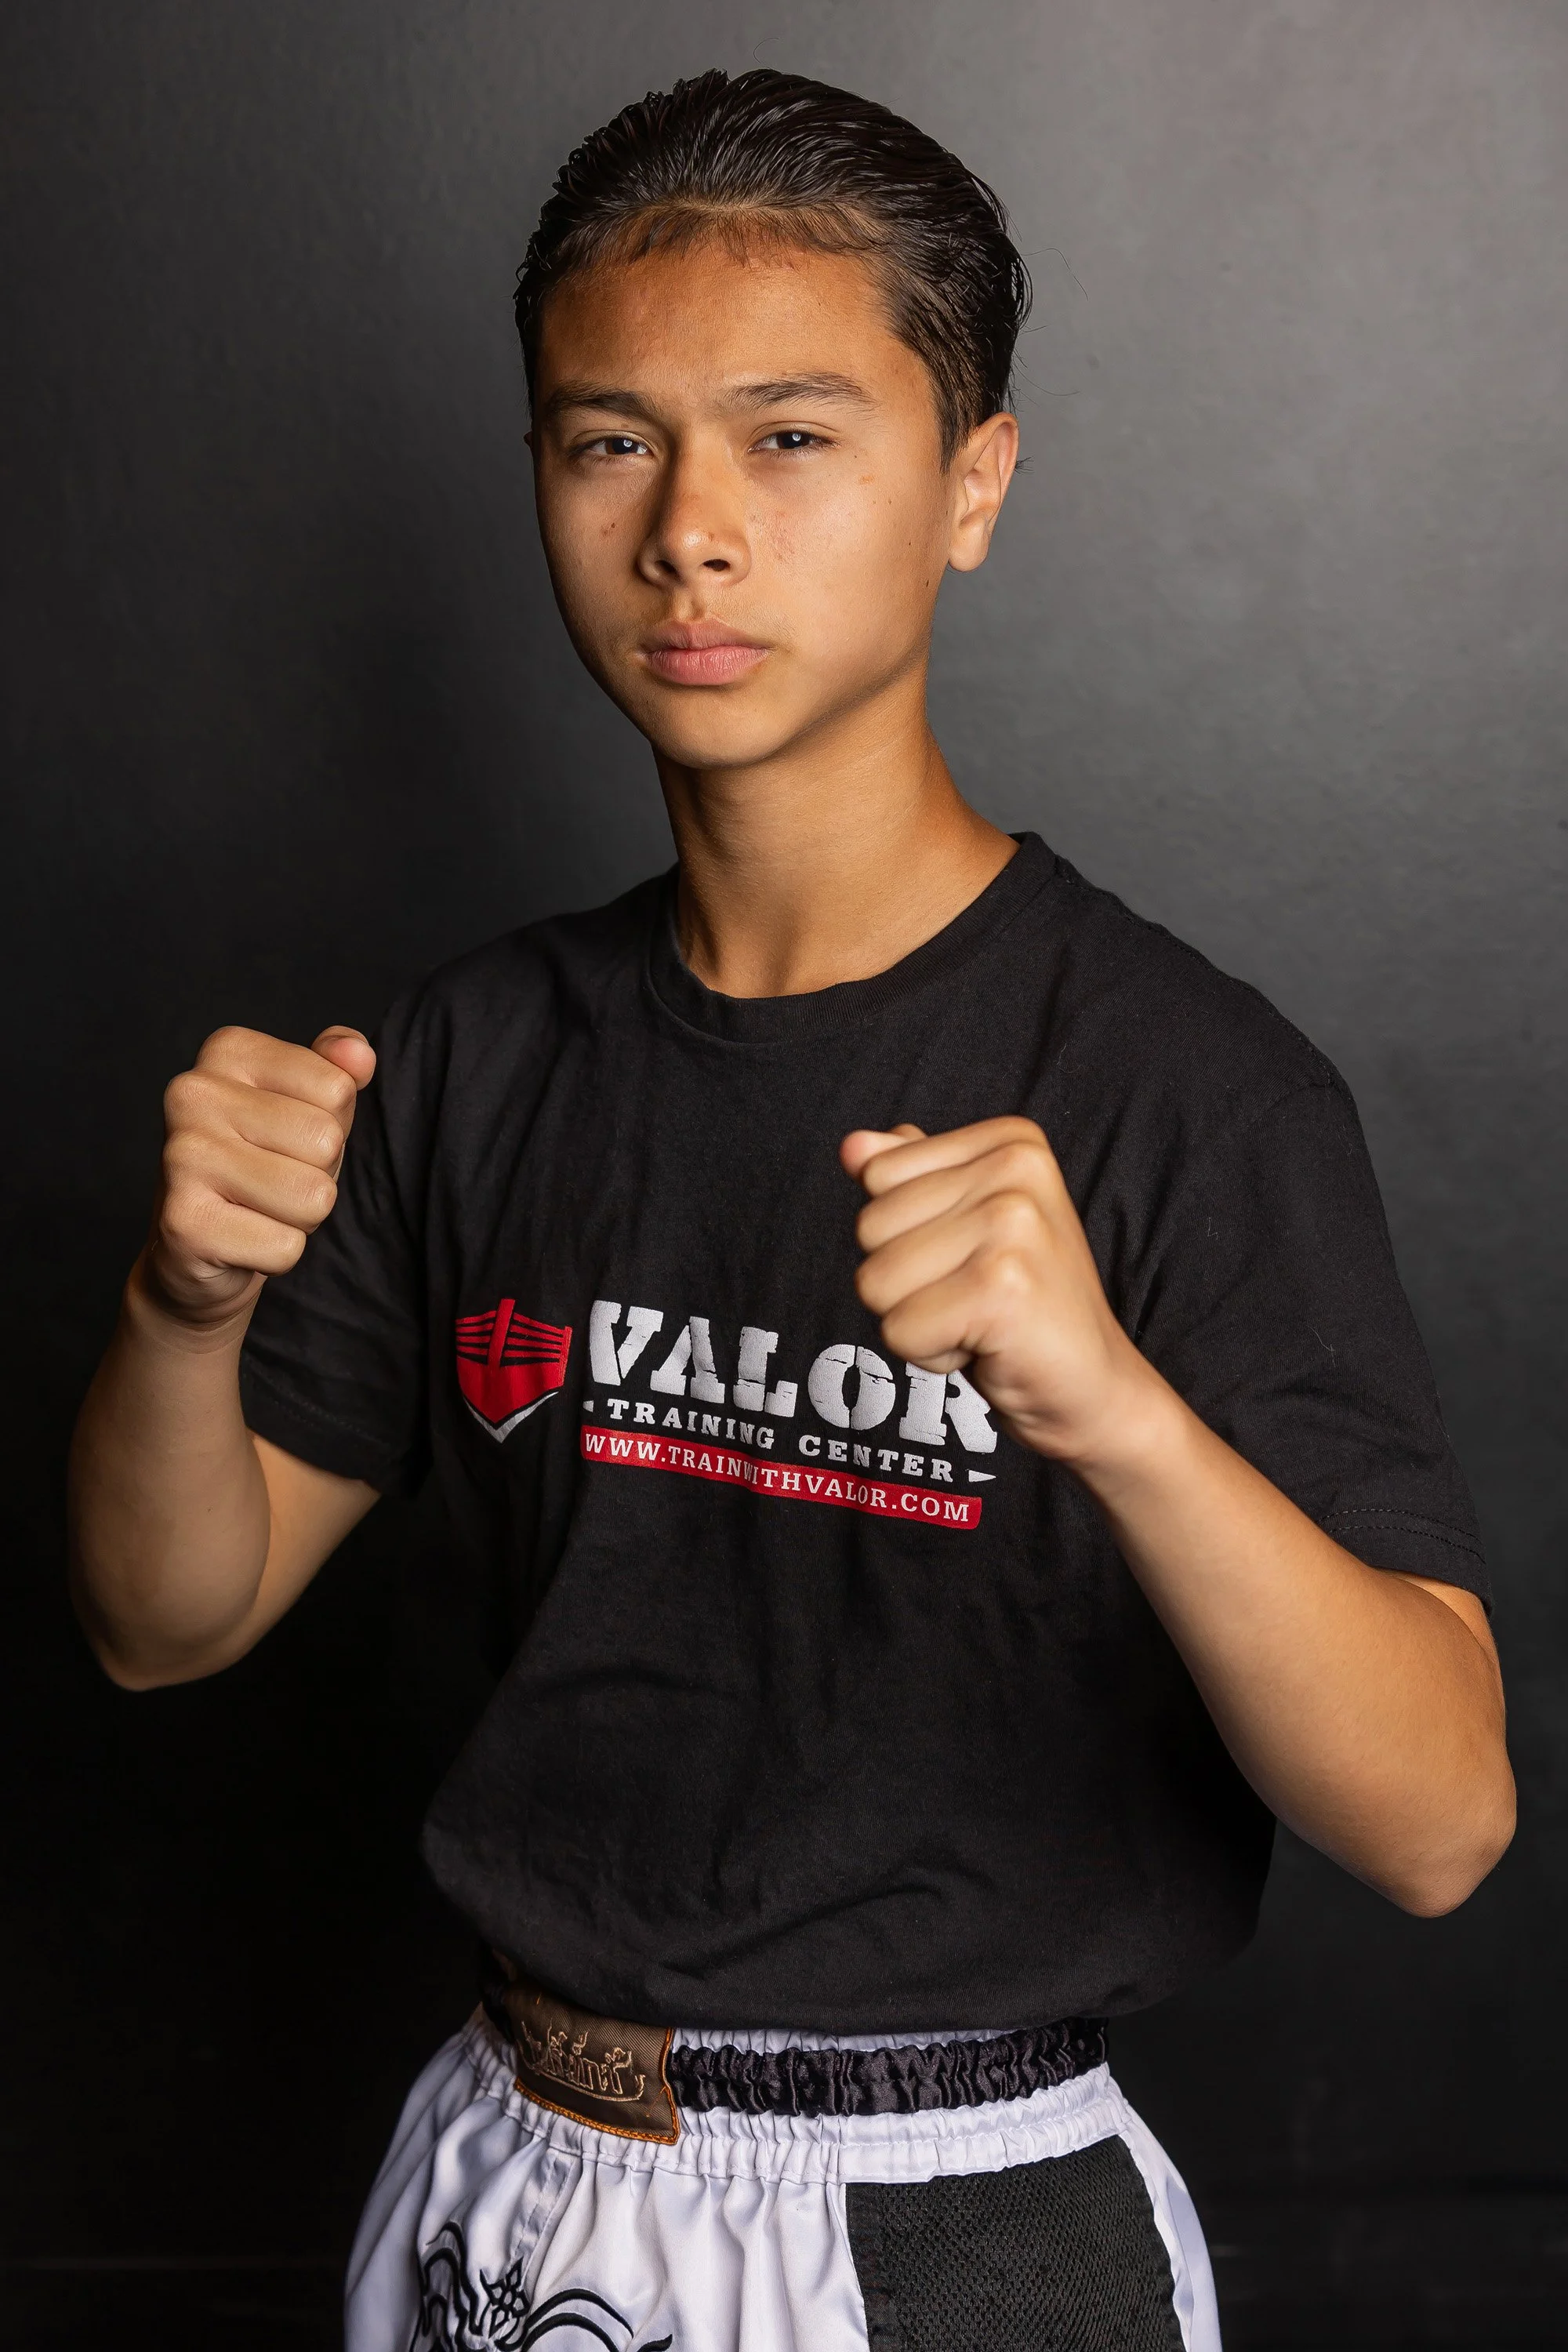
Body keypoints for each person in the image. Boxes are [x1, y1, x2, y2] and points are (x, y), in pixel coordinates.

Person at [68, 67, 1514, 2352]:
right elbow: (165, 1618)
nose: (690, 533)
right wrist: (181, 1306)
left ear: (975, 483)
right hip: (504, 2157)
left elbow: (1441, 1824)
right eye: (607, 441)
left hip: (959, 2207)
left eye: (793, 436)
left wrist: (1111, 1407)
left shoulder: (1182, 1085)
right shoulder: (471, 1053)